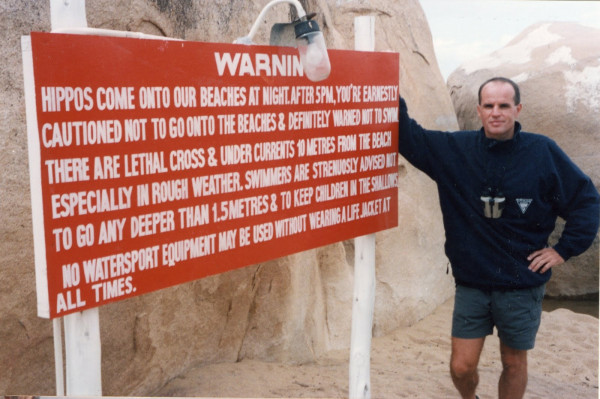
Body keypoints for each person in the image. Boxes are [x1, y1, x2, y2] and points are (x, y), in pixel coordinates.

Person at [397, 77, 600, 399]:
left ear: (517, 109)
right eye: (489, 105)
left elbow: (586, 200)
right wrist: (389, 93)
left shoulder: (542, 152)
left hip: (521, 283)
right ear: (479, 110)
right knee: (462, 366)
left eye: (504, 105)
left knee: (513, 362)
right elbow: (409, 138)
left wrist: (563, 250)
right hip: (472, 282)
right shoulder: (456, 151)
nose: (496, 112)